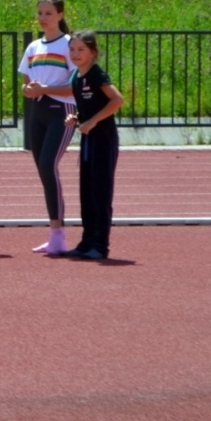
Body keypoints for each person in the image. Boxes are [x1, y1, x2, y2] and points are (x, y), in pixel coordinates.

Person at [17, 0, 77, 255]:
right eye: (40, 13)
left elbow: (75, 84)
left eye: (49, 13)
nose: (43, 18)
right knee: (43, 171)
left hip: (61, 111)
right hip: (38, 112)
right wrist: (28, 89)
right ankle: (54, 234)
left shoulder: (68, 44)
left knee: (48, 164)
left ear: (60, 15)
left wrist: (46, 88)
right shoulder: (33, 48)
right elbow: (26, 82)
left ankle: (58, 234)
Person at [61, 30, 125, 260]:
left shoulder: (97, 75)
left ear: (92, 52)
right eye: (72, 49)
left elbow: (117, 100)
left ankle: (101, 245)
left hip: (103, 140)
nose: (76, 54)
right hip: (88, 139)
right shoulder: (76, 77)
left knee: (100, 192)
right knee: (86, 192)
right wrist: (77, 118)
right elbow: (87, 107)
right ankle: (86, 242)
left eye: (81, 50)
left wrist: (92, 121)